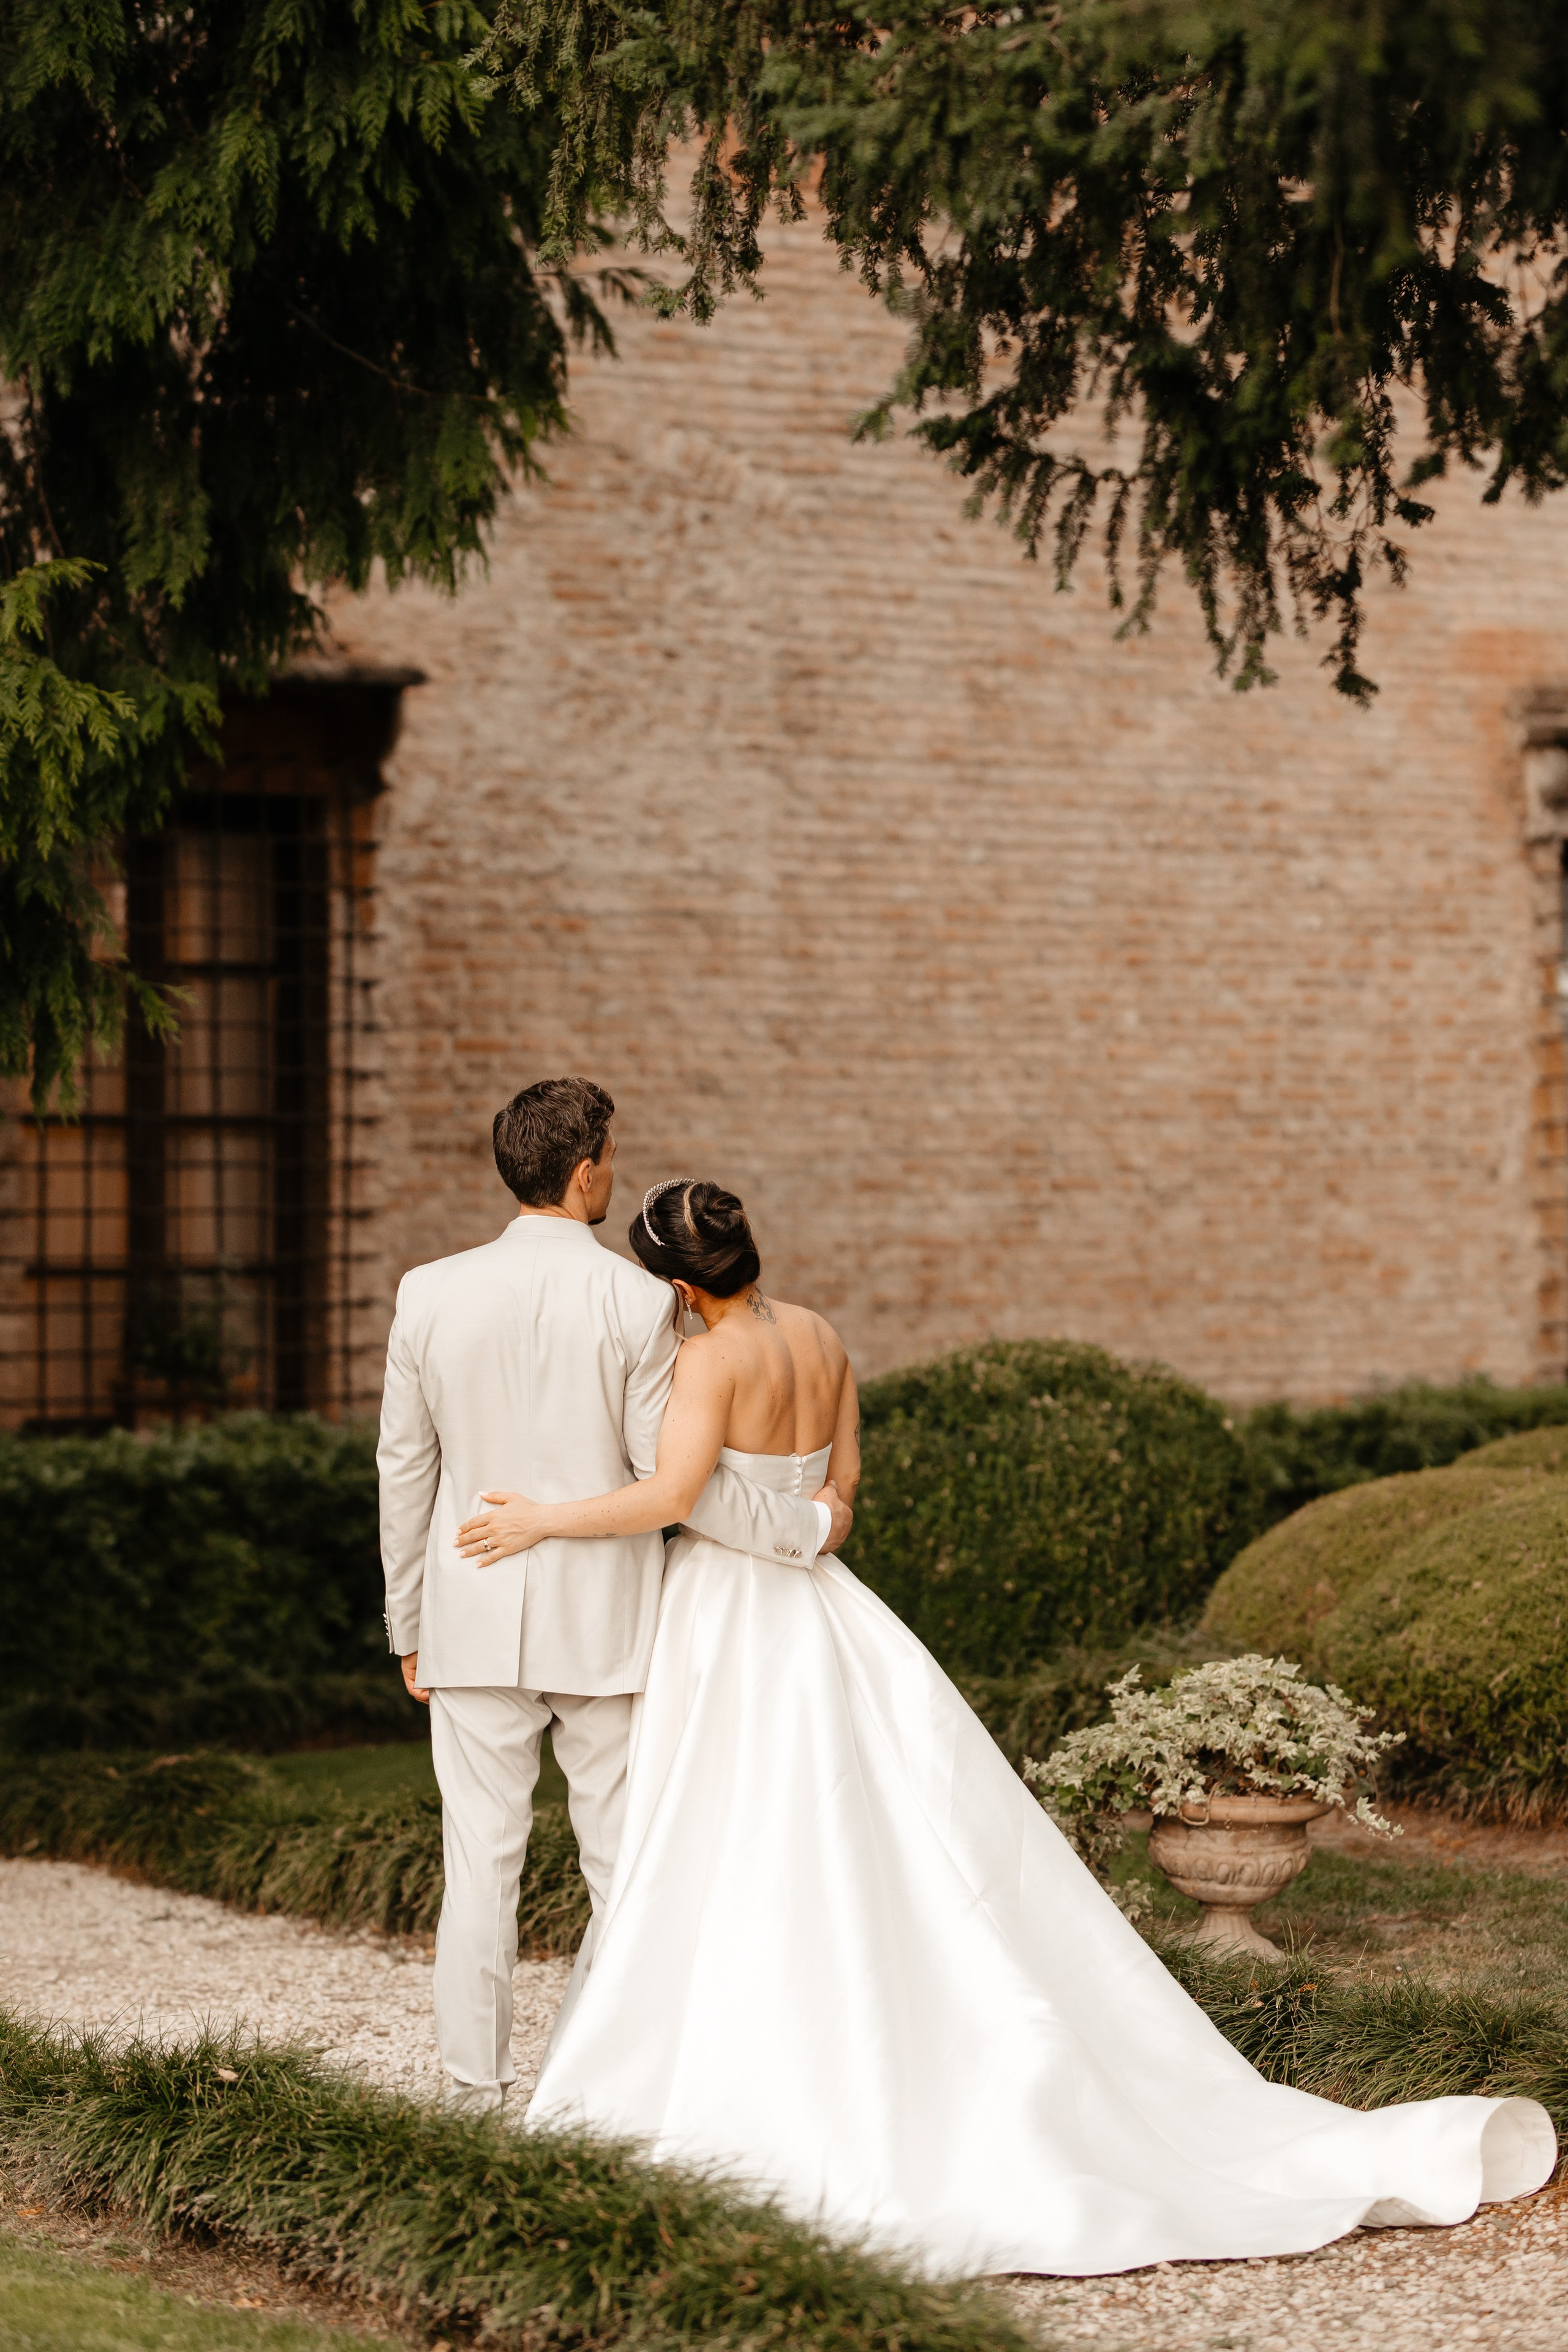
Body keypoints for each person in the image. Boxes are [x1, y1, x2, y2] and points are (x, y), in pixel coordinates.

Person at [454, 1176, 1556, 2279]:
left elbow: (672, 1498)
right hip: (826, 1614)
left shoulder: (706, 1360)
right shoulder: (825, 1338)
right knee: (860, 1808)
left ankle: (753, 2048)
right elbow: (841, 1498)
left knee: (731, 1826)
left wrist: (539, 1521)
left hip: (726, 1618)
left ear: (680, 1285)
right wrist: (804, 1529)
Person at [376, 1081, 853, 2114]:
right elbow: (672, 1485)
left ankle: (471, 2090)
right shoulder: (642, 1302)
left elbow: (403, 1471)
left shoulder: (426, 1291)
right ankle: (614, 2087)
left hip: (469, 1612)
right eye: (611, 1157)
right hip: (610, 1628)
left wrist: (407, 1621)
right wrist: (802, 1527)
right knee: (620, 1864)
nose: (615, 1173)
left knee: (478, 1867)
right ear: (586, 1170)